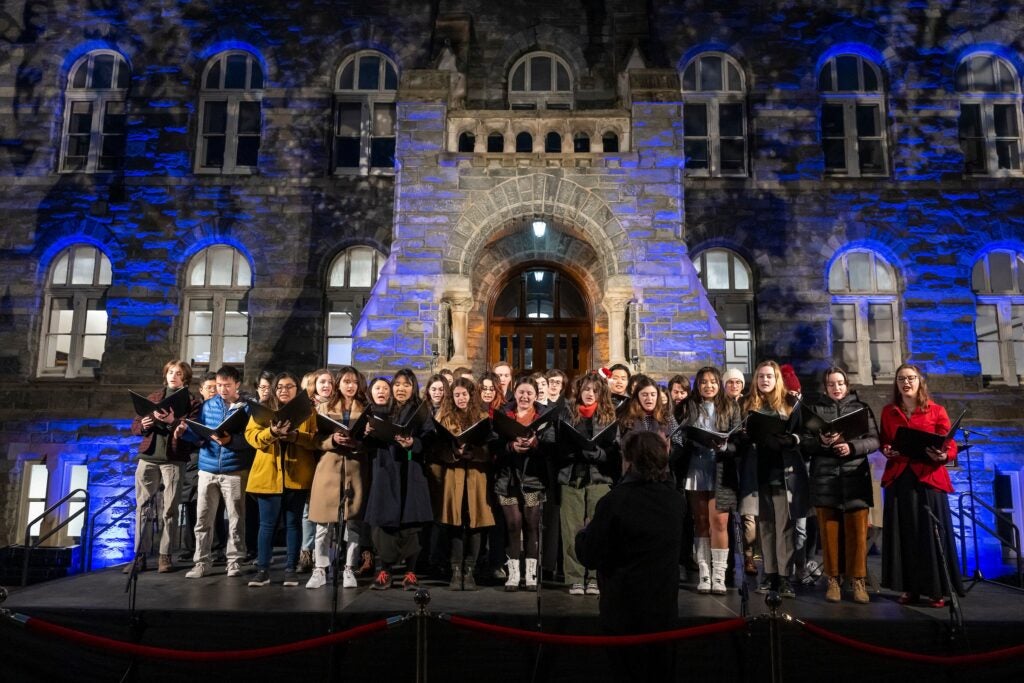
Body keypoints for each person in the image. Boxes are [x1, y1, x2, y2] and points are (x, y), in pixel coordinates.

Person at [576, 430, 683, 682]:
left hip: (624, 613)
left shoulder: (615, 501)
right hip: (663, 614)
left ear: (629, 461)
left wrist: (583, 533)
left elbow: (590, 555)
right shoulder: (675, 501)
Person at [879, 363, 963, 607]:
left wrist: (944, 456)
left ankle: (936, 590)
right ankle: (909, 588)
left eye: (911, 378)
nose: (906, 382)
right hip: (900, 477)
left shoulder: (936, 410)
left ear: (919, 381)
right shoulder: (888, 411)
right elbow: (885, 440)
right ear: (896, 384)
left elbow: (950, 443)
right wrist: (887, 449)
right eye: (901, 379)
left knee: (930, 534)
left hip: (928, 477)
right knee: (905, 534)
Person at [800, 366, 878, 604]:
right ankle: (832, 579)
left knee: (857, 532)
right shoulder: (815, 409)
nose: (836, 388)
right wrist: (822, 442)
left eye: (840, 383)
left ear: (847, 384)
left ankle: (858, 580)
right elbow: (804, 443)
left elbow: (874, 440)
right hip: (825, 478)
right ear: (826, 387)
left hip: (855, 478)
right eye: (831, 384)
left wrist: (851, 447)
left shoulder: (861, 408)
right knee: (829, 532)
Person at [245, 372, 319, 587]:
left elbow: (314, 439)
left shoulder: (308, 410)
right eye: (280, 387)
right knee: (266, 526)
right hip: (268, 476)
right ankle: (263, 570)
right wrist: (273, 432)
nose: (284, 390)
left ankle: (290, 569)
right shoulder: (262, 410)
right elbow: (253, 437)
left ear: (298, 389)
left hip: (296, 476)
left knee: (293, 524)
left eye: (289, 386)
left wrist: (296, 437)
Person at [127, 359, 201, 573]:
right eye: (170, 372)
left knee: (170, 509)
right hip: (149, 456)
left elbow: (193, 432)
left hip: (173, 458)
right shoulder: (153, 398)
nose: (173, 376)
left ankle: (164, 556)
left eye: (178, 373)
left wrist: (172, 421)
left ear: (185, 378)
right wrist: (143, 425)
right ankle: (140, 556)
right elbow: (134, 426)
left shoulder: (192, 402)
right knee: (142, 508)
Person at [363, 370, 434, 590]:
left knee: (411, 523)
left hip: (411, 471)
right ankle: (385, 571)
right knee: (384, 523)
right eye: (397, 384)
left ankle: (410, 573)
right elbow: (368, 445)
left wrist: (413, 443)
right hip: (386, 470)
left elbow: (429, 438)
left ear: (414, 388)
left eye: (406, 384)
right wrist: (367, 432)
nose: (401, 388)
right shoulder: (381, 410)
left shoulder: (421, 412)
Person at [742, 360, 807, 598]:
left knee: (785, 528)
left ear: (777, 378)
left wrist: (791, 440)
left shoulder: (790, 404)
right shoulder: (749, 405)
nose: (765, 380)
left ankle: (784, 576)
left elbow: (803, 434)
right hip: (759, 473)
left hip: (783, 472)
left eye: (769, 376)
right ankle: (769, 573)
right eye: (761, 376)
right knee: (765, 528)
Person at [184, 366, 254, 579]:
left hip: (234, 470)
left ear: (237, 385)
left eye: (227, 385)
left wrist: (231, 440)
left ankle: (234, 562)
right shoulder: (207, 406)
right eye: (219, 385)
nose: (222, 389)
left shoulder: (247, 408)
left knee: (236, 518)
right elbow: (199, 437)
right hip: (207, 468)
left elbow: (251, 440)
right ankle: (201, 562)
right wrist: (186, 432)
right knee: (203, 519)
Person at [677, 367, 742, 595]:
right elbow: (680, 434)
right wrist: (690, 440)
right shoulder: (688, 406)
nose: (709, 386)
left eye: (713, 381)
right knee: (701, 521)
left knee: (720, 522)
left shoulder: (731, 407)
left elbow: (739, 441)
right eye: (704, 382)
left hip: (721, 469)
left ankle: (719, 575)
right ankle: (704, 573)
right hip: (696, 467)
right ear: (698, 385)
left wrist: (725, 446)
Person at [306, 366, 370, 590]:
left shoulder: (365, 409)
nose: (350, 386)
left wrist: (358, 443)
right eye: (345, 382)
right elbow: (314, 440)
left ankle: (349, 568)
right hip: (329, 469)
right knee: (323, 524)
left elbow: (370, 444)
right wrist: (331, 440)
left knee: (353, 523)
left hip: (355, 469)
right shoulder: (323, 407)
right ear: (338, 384)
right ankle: (320, 568)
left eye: (353, 382)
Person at [557, 371, 619, 595]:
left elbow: (615, 449)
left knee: (598, 528)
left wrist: (600, 454)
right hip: (571, 476)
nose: (590, 394)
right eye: (586, 390)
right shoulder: (567, 414)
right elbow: (558, 445)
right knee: (571, 529)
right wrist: (576, 451)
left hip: (599, 477)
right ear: (578, 391)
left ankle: (594, 576)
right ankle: (574, 577)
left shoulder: (609, 416)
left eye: (594, 390)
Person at [434, 377, 494, 590]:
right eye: (457, 394)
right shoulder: (444, 416)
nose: (461, 398)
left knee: (476, 522)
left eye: (464, 394)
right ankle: (456, 570)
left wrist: (475, 452)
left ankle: (470, 570)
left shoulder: (482, 416)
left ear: (471, 396)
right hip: (454, 475)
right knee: (455, 522)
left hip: (477, 476)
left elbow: (491, 450)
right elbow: (436, 448)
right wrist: (453, 452)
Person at [494, 376, 553, 591]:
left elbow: (551, 446)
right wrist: (510, 446)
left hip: (533, 479)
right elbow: (494, 444)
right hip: (507, 478)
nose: (525, 396)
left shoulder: (544, 416)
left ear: (536, 395)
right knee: (512, 525)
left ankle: (530, 575)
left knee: (531, 526)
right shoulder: (503, 414)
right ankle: (513, 573)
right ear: (515, 393)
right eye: (521, 392)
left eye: (529, 393)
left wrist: (535, 443)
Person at [298, 368, 337, 573]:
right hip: (310, 461)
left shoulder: (337, 405)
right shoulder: (307, 407)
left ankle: (326, 553)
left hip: (328, 462)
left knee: (327, 511)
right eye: (322, 382)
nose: (326, 386)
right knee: (308, 510)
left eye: (330, 382)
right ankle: (306, 551)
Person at [724, 368, 758, 577]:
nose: (734, 385)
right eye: (730, 382)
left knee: (748, 514)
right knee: (726, 513)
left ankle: (749, 557)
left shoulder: (749, 405)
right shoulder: (720, 405)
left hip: (746, 461)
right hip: (727, 461)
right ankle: (727, 560)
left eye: (738, 382)